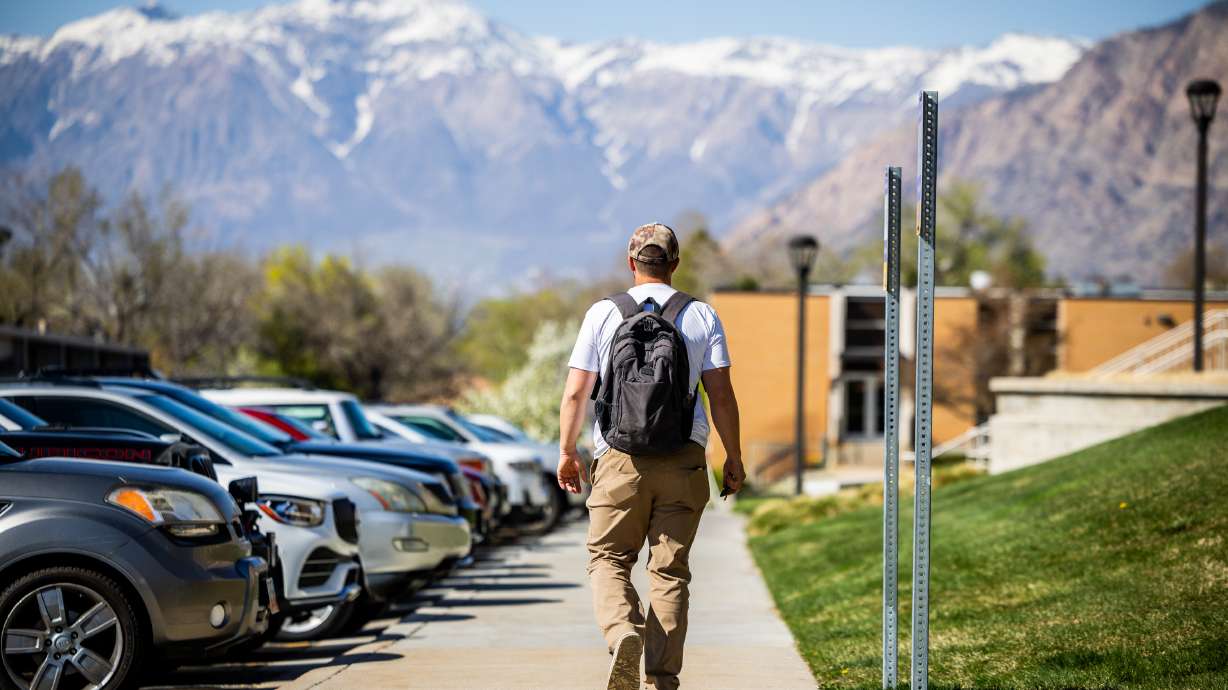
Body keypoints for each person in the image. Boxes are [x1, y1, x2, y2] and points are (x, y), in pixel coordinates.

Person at [557, 222, 746, 690]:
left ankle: (623, 630)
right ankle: (662, 680)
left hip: (619, 458)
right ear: (675, 264)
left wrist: (567, 451)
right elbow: (721, 395)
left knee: (608, 558)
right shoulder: (701, 315)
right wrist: (734, 456)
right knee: (669, 572)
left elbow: (576, 392)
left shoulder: (603, 313)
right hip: (684, 458)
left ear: (631, 263)